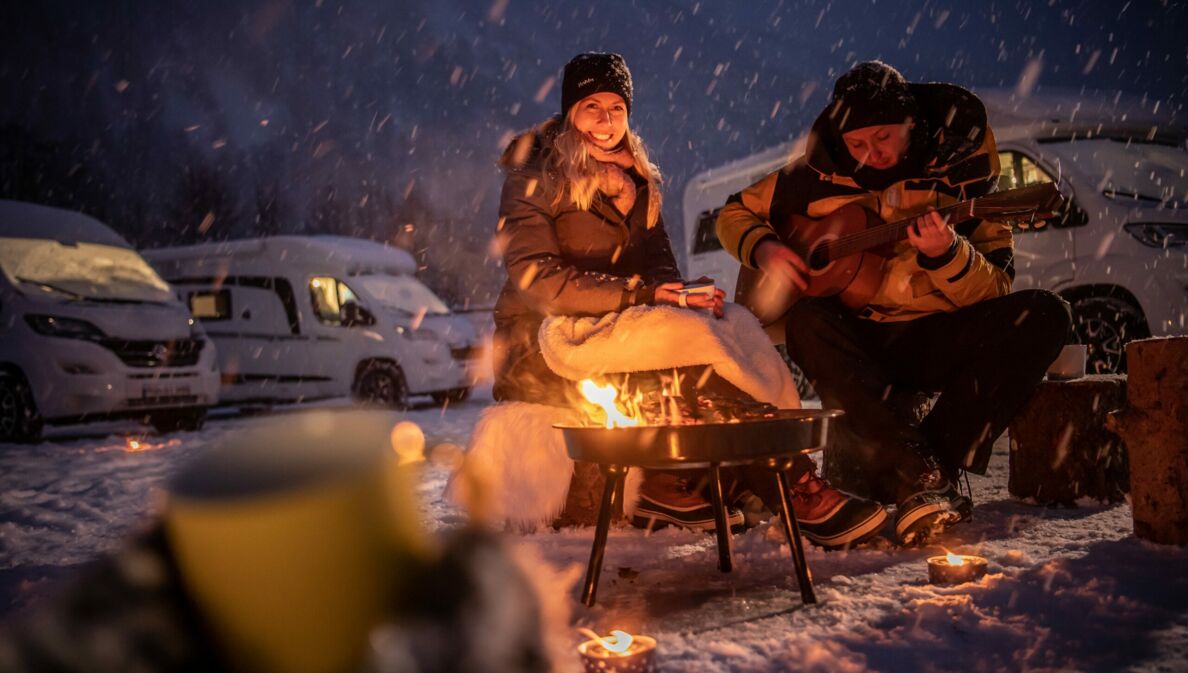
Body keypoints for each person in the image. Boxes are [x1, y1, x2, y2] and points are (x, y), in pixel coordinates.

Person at [492, 52, 886, 547]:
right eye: (592, 105)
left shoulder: (636, 179)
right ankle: (791, 488)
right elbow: (537, 280)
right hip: (539, 340)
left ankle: (723, 482)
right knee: (685, 356)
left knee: (726, 329)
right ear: (570, 111)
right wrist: (643, 295)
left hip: (615, 325)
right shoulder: (536, 176)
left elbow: (659, 267)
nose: (606, 120)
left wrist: (683, 296)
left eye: (617, 107)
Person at [716, 61, 1071, 545]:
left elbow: (996, 289)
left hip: (936, 336)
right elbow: (735, 211)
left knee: (1046, 314)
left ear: (911, 125)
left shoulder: (965, 180)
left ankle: (923, 469)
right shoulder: (816, 174)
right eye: (857, 144)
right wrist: (765, 247)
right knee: (806, 321)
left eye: (883, 138)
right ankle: (922, 478)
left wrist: (948, 255)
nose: (871, 155)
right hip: (860, 343)